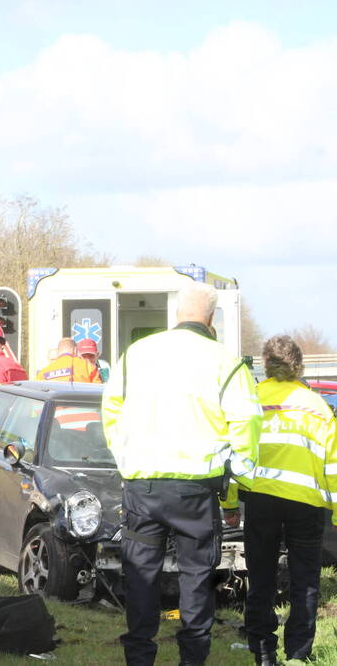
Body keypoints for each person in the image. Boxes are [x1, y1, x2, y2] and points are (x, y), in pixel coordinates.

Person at [101, 282, 261, 666]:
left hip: (143, 487)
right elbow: (247, 420)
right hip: (195, 492)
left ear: (176, 315)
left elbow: (110, 410)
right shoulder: (224, 361)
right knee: (196, 577)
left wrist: (126, 458)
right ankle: (193, 657)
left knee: (141, 574)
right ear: (211, 319)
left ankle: (139, 657)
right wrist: (240, 473)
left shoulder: (136, 353)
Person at [240, 335, 337, 665]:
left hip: (261, 499)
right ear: (299, 365)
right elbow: (333, 465)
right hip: (306, 504)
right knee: (305, 581)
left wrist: (227, 503)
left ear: (265, 364)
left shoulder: (251, 400)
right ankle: (298, 654)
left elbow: (236, 452)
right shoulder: (318, 406)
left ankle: (263, 652)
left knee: (261, 578)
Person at [36, 337, 100, 383]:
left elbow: (37, 396)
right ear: (75, 350)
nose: (87, 359)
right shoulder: (87, 367)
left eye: (91, 356)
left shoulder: (43, 373)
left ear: (58, 352)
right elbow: (99, 393)